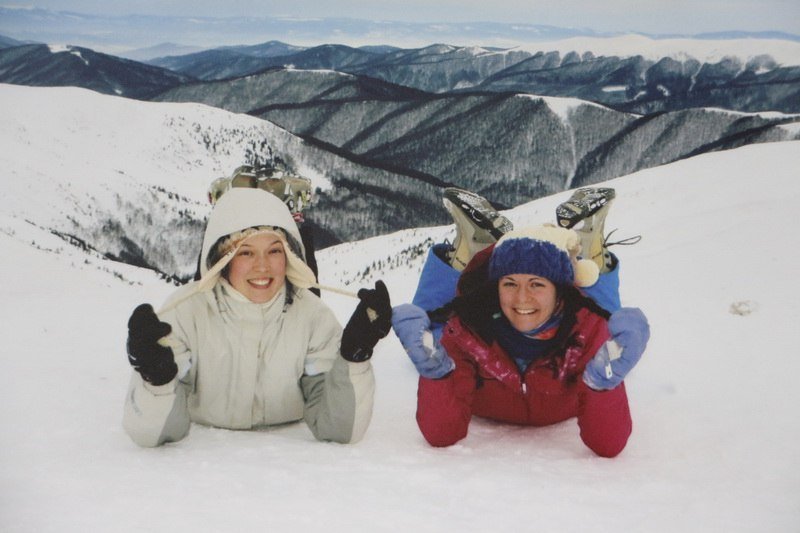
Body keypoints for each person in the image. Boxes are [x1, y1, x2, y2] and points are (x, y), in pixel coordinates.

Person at [123, 187, 391, 447]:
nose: (262, 266)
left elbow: (339, 429)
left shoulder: (312, 317)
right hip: (203, 471)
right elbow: (151, 435)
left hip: (291, 471)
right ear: (222, 260)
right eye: (246, 252)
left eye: (274, 251)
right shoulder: (186, 312)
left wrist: (354, 359)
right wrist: (156, 381)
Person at [392, 187, 649, 457]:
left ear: (559, 290)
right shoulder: (466, 332)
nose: (522, 298)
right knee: (430, 325)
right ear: (497, 287)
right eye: (510, 283)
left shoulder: (589, 333)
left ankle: (586, 243)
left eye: (537, 284)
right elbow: (441, 433)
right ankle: (474, 248)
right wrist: (434, 371)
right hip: (485, 316)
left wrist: (603, 381)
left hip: (577, 310)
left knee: (601, 308)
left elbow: (608, 445)